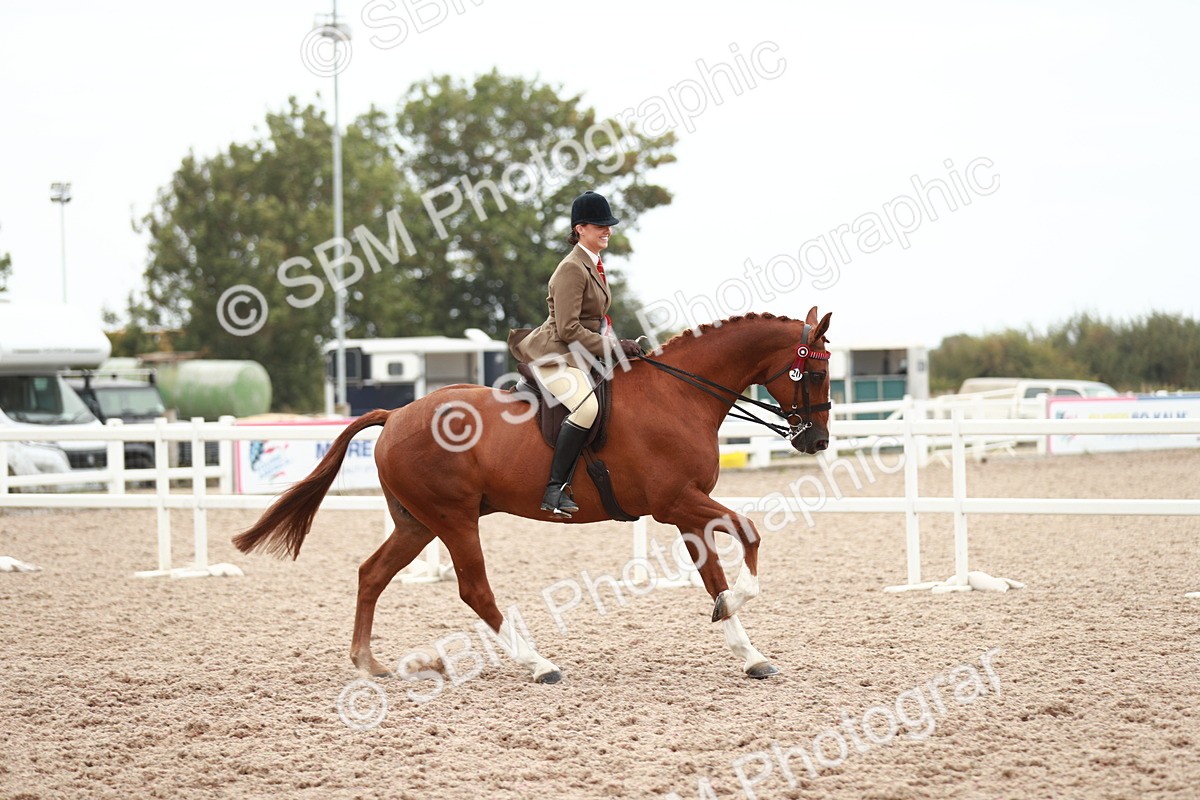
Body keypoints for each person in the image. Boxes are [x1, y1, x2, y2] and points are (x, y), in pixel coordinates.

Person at [507, 191, 642, 517]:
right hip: (556, 353)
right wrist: (610, 347)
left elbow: (591, 321)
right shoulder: (572, 268)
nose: (607, 230)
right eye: (600, 225)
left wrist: (618, 343)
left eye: (608, 225)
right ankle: (554, 489)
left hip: (580, 353)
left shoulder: (593, 264)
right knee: (586, 408)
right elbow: (568, 329)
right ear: (580, 228)